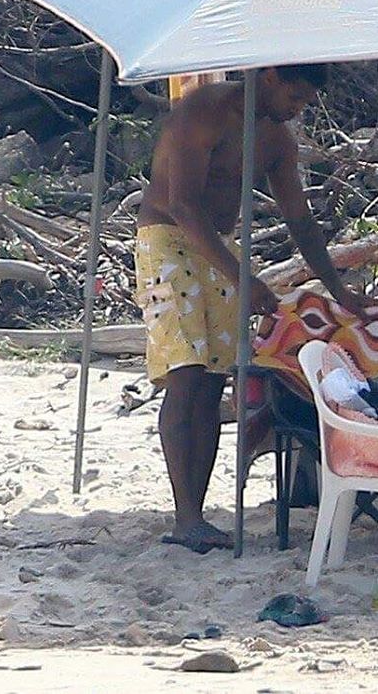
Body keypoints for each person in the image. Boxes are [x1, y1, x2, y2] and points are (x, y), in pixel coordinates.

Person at [135, 64, 373, 554]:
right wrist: (242, 276)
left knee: (212, 379)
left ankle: (196, 516)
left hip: (218, 247)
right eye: (294, 98)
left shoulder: (276, 139)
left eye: (304, 105)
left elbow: (300, 220)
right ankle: (187, 518)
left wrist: (338, 288)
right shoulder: (203, 111)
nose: (295, 110)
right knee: (185, 373)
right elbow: (181, 203)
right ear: (268, 76)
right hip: (167, 242)